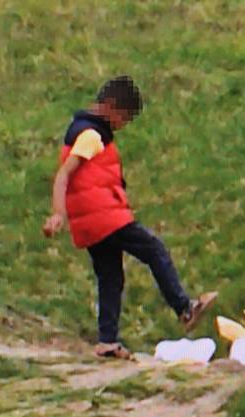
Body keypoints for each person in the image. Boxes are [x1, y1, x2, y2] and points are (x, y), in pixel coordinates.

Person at [42, 75, 217, 360]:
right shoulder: (91, 135)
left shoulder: (85, 131)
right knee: (153, 249)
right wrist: (57, 213)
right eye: (125, 118)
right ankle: (185, 308)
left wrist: (64, 214)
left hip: (89, 222)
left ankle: (107, 341)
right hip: (103, 216)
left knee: (111, 277)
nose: (123, 125)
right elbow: (64, 174)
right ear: (111, 107)